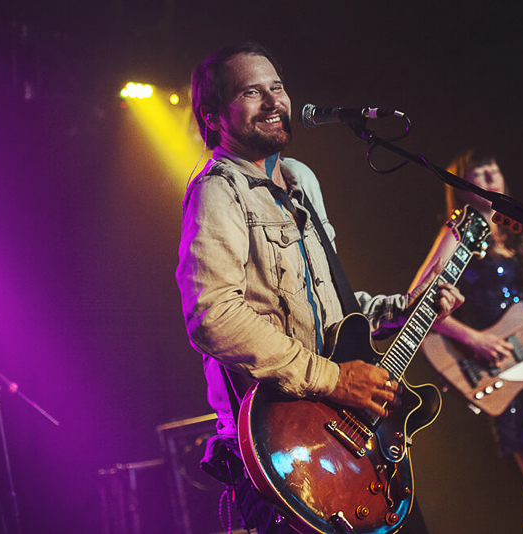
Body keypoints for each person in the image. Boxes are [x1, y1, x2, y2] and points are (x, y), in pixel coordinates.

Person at [175, 41, 463, 534]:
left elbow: (333, 309)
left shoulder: (301, 179)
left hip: (346, 438)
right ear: (214, 114)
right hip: (282, 448)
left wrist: (404, 308)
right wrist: (333, 379)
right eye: (251, 92)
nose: (273, 102)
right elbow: (212, 315)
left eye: (278, 88)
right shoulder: (218, 189)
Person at [411, 152, 523, 534]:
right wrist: (474, 339)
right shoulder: (458, 230)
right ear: (463, 187)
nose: (491, 175)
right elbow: (417, 296)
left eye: (495, 168)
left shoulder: (516, 238)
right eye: (478, 172)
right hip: (502, 373)